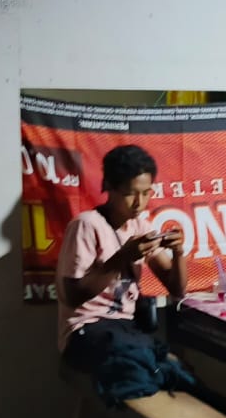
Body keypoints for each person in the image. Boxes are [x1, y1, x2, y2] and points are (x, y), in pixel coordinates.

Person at [57, 144, 188, 371]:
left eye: (146, 193)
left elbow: (177, 288)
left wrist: (178, 252)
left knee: (178, 373)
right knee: (141, 365)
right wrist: (124, 256)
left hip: (125, 329)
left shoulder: (140, 226)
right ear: (109, 187)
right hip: (87, 329)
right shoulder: (87, 224)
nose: (139, 203)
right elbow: (72, 296)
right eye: (130, 193)